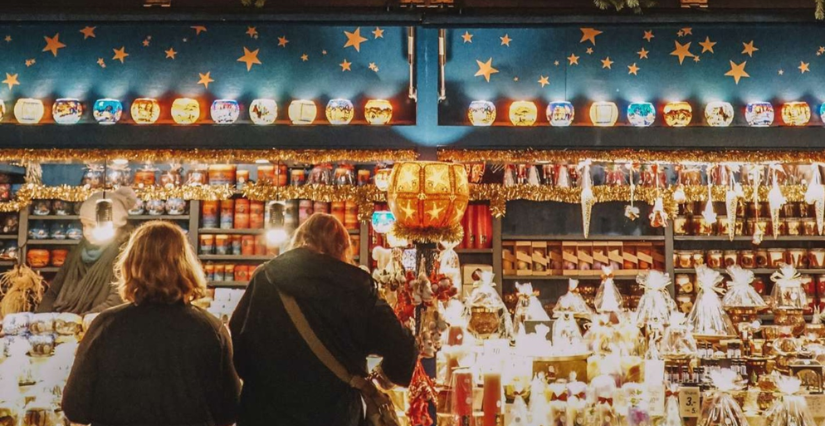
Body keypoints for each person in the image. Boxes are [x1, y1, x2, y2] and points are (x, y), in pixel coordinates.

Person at [230, 213, 417, 426]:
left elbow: (237, 348)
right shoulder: (356, 287)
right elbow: (403, 347)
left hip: (266, 413)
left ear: (298, 240)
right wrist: (385, 376)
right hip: (335, 415)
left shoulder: (266, 278)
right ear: (343, 248)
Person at [62, 221, 241, 426]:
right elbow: (230, 411)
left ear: (130, 266)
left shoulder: (106, 326)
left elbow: (75, 408)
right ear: (186, 266)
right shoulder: (211, 329)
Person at [37, 187, 138, 314]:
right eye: (84, 225)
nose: (87, 232)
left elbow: (116, 301)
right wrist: (40, 318)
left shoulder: (125, 255)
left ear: (115, 226)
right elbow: (53, 292)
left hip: (98, 324)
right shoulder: (78, 252)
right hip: (65, 322)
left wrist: (78, 322)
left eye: (93, 226)